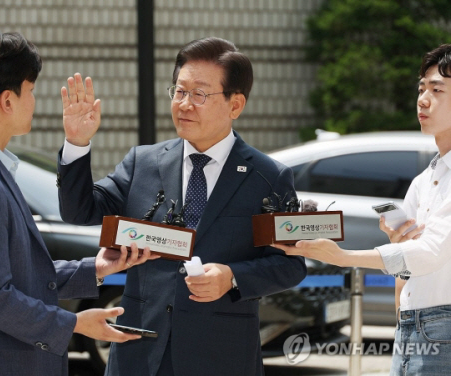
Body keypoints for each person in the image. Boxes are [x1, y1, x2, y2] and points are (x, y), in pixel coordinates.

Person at [57, 37, 307, 376]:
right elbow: (80, 211)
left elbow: (290, 265)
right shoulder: (143, 162)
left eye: (199, 94)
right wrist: (76, 142)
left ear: (236, 105)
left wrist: (233, 276)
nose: (185, 104)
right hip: (139, 351)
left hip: (222, 356)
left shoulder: (268, 177)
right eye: (179, 91)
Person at [0, 30, 157, 376]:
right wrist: (74, 323)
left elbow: (20, 276)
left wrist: (95, 268)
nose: (34, 100)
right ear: (7, 100)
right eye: (30, 90)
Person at [274, 44, 451, 375]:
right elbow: (410, 266)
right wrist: (399, 249)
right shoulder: (425, 179)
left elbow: (430, 253)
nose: (423, 99)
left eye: (436, 90)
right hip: (415, 323)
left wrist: (342, 257)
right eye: (421, 88)